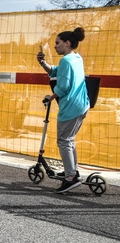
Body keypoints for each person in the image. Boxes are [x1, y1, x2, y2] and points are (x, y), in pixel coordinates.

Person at [36, 27, 89, 194]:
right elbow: (55, 71)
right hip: (82, 105)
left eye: (57, 43)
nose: (55, 46)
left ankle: (70, 178)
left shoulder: (66, 60)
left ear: (67, 43)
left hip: (71, 107)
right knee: (69, 140)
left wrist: (50, 97)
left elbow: (64, 86)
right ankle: (72, 172)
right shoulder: (76, 58)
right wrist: (43, 63)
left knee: (64, 141)